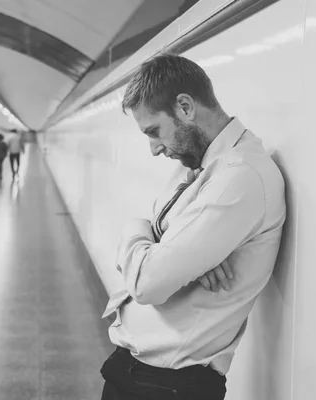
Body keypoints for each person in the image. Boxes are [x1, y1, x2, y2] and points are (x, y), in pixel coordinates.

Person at [99, 54, 286, 399]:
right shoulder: (200, 167)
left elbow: (147, 282)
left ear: (184, 107)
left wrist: (139, 230)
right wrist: (178, 254)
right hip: (141, 376)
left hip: (170, 387)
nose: (154, 149)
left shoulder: (241, 176)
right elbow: (156, 241)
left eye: (154, 131)